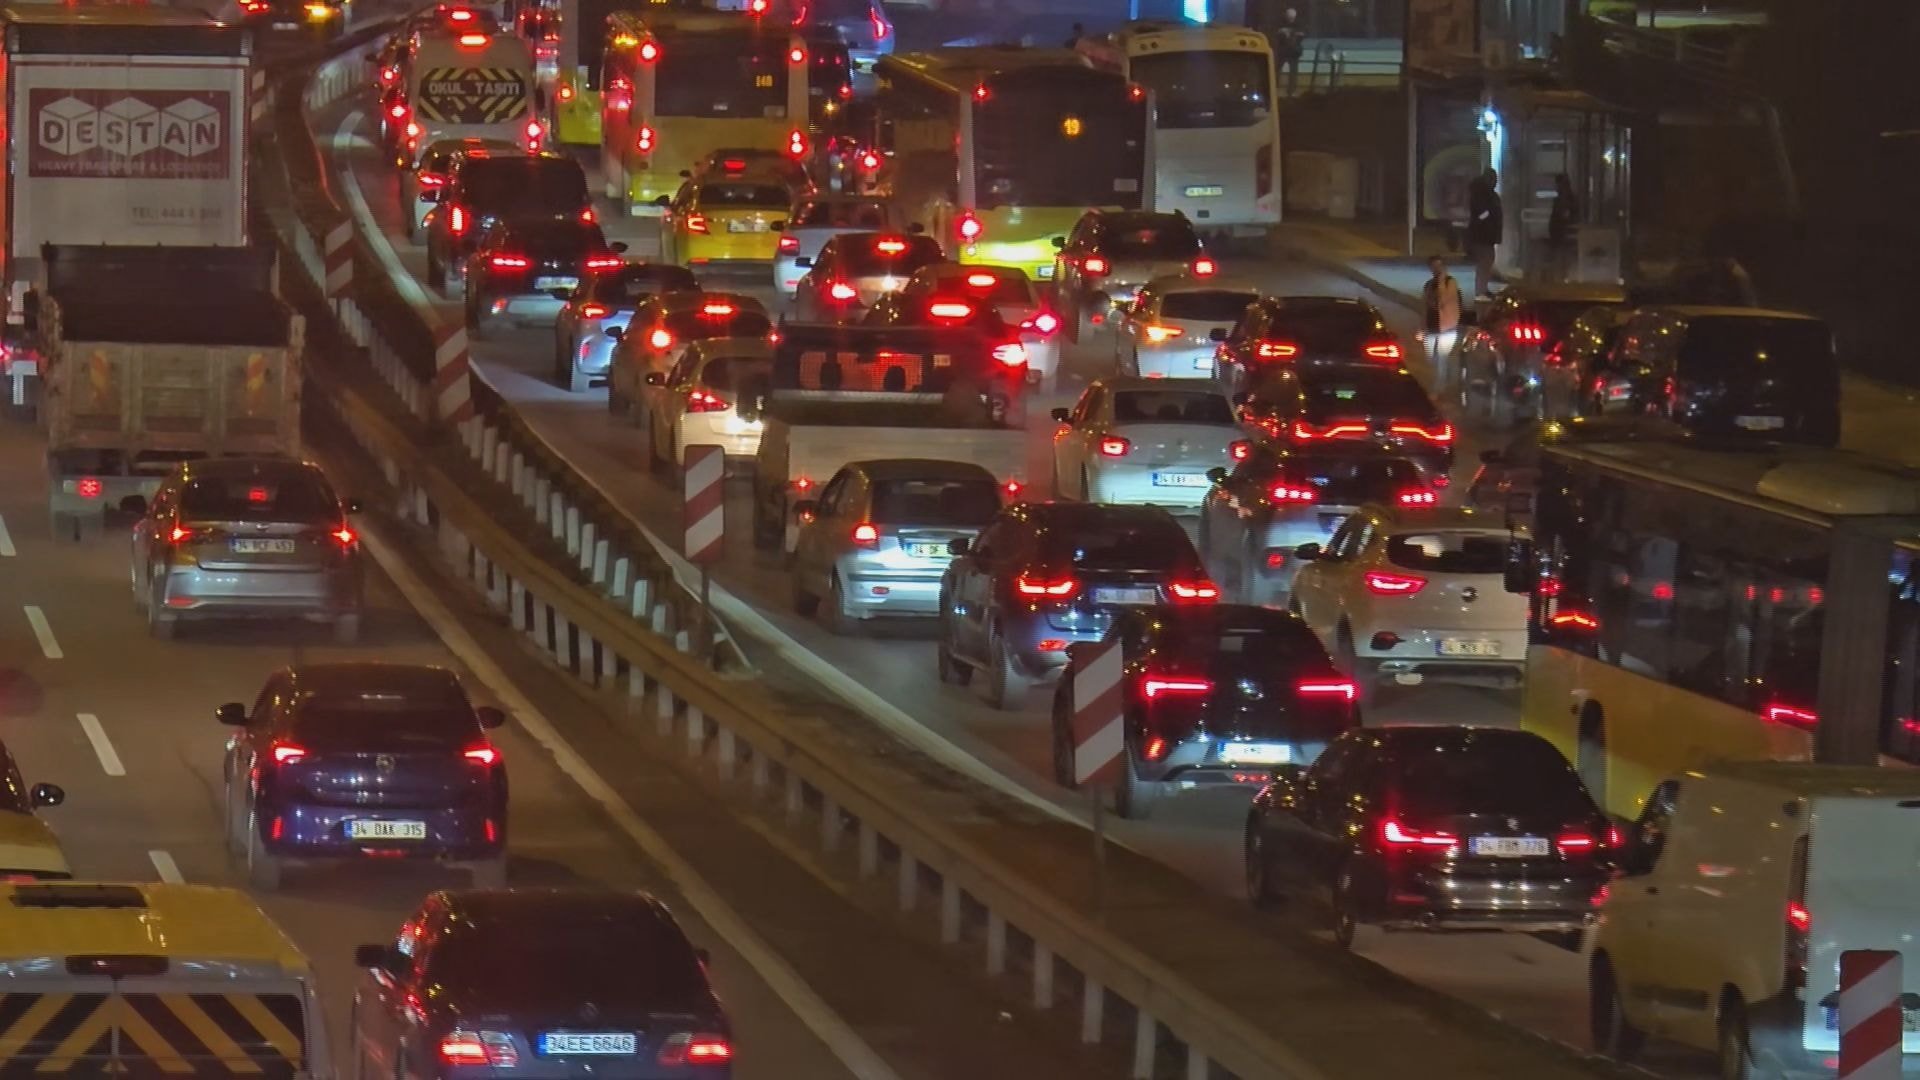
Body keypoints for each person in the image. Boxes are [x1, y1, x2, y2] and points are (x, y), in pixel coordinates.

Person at [1419, 255, 1463, 389]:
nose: (1437, 269)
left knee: (1441, 358)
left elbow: (1444, 300)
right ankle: (1447, 375)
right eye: (1433, 266)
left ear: (1444, 267)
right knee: (1431, 358)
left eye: (1439, 266)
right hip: (1431, 326)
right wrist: (1422, 327)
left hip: (1447, 328)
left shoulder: (1450, 282)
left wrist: (1441, 282)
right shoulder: (1428, 284)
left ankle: (1439, 387)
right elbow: (1424, 306)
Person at [1547, 173, 1579, 282]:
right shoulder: (1565, 198)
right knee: (1561, 256)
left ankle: (1561, 277)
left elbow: (1563, 215)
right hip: (1560, 230)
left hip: (1562, 231)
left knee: (1561, 255)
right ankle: (1562, 276)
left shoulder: (1565, 199)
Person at [1271, 8, 1304, 95]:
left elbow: (1303, 34)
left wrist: (1292, 33)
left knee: (1292, 71)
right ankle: (1274, 87)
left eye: (1291, 17)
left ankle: (1291, 90)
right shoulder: (1281, 23)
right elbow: (1275, 33)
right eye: (1289, 17)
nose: (1290, 19)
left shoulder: (1299, 24)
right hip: (1284, 50)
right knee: (1277, 69)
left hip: (1293, 51)